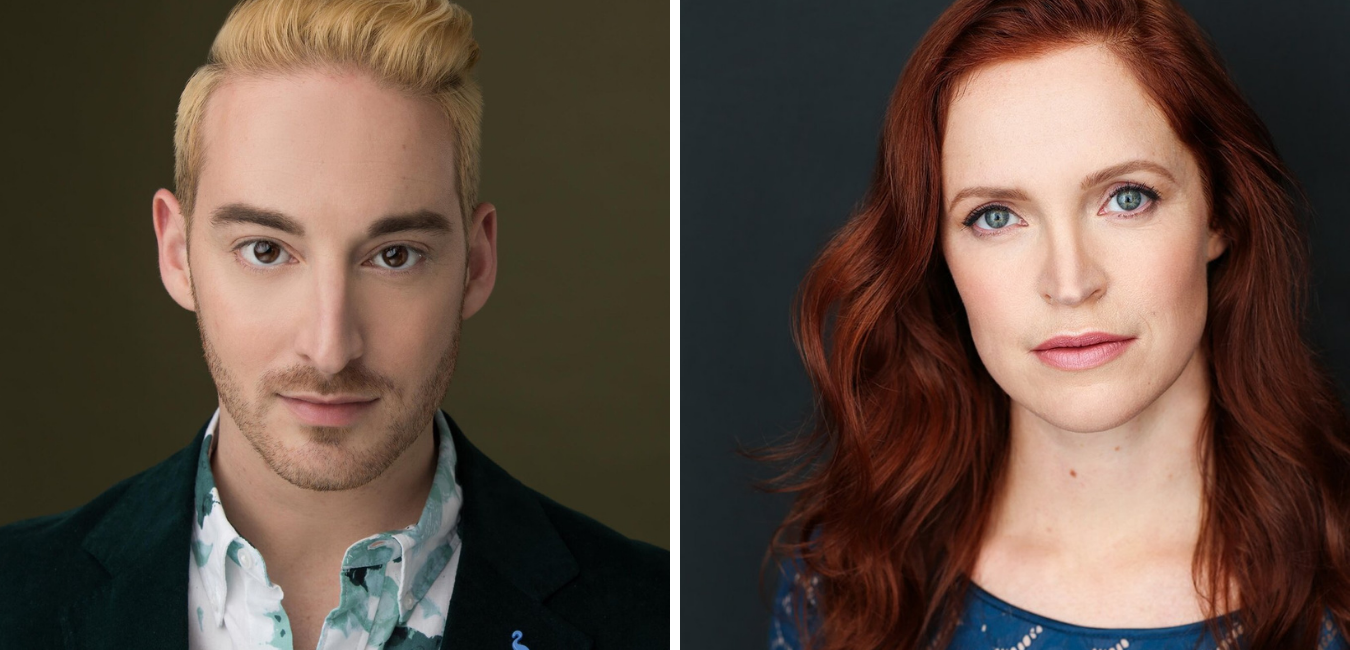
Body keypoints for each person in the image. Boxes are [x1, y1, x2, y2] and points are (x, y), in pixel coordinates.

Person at [0, 1, 667, 648]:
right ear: (176, 254)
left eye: (394, 256)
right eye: (266, 251)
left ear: (477, 263)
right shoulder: (15, 594)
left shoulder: (658, 619)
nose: (328, 349)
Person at [764, 0, 1350, 648]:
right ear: (938, 254)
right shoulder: (848, 579)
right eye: (994, 216)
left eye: (1127, 198)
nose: (1070, 284)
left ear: (1220, 213)